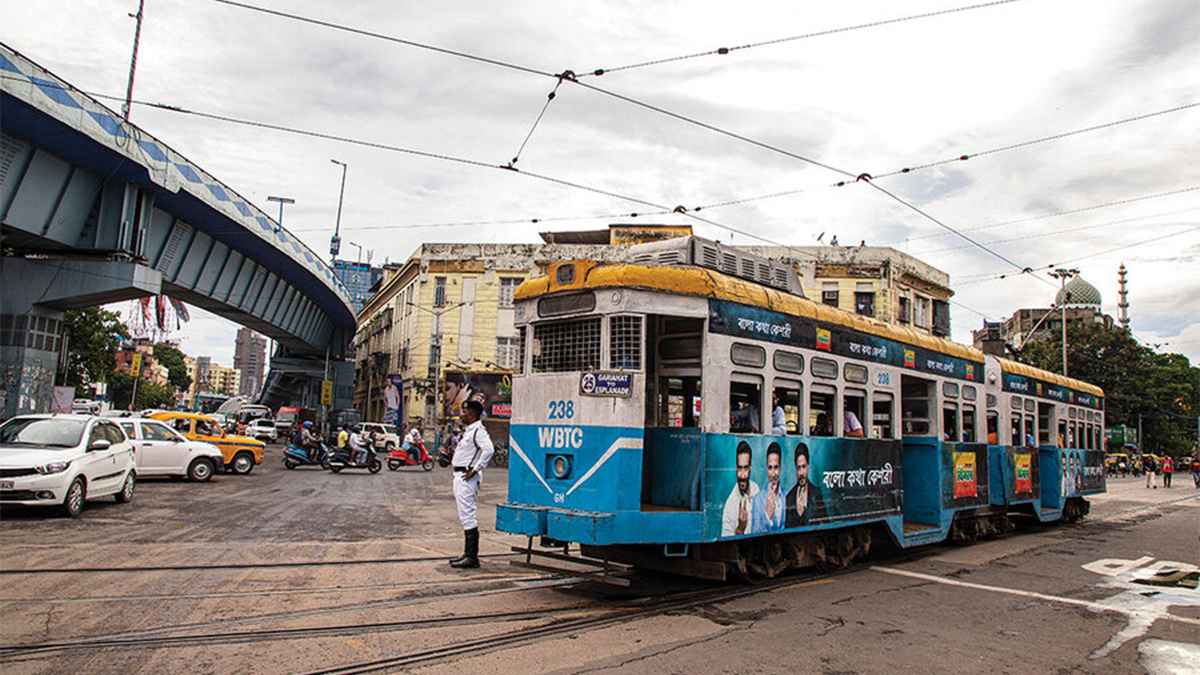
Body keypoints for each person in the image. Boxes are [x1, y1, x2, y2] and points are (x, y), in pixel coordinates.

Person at [448, 399, 495, 569]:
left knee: (468, 515)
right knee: (464, 515)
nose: (463, 414)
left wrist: (476, 469)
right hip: (460, 475)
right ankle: (468, 554)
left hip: (467, 477)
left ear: (473, 413)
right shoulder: (469, 431)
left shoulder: (478, 431)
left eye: (465, 411)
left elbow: (489, 449)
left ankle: (472, 557)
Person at [721, 442, 758, 536]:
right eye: (739, 468)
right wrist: (740, 528)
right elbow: (728, 545)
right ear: (736, 469)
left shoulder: (756, 489)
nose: (742, 475)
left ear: (750, 468)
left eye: (745, 468)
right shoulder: (729, 506)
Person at [785, 443, 825, 527]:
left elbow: (824, 522)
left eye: (804, 467)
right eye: (798, 467)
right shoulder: (789, 497)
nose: (801, 473)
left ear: (808, 466)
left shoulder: (816, 493)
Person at [751, 443, 785, 532]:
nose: (773, 473)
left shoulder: (787, 496)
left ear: (780, 468)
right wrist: (768, 518)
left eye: (776, 467)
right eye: (770, 468)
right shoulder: (757, 500)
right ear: (766, 469)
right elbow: (754, 534)